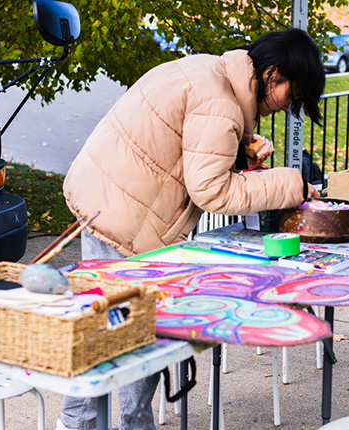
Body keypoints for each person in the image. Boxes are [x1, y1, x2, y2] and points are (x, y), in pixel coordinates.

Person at [59, 28, 325, 430]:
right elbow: (213, 191)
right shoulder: (220, 103)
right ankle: (95, 426)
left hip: (109, 202)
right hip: (123, 218)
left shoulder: (211, 73)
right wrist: (292, 185)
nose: (289, 107)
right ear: (272, 75)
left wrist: (240, 151)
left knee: (115, 332)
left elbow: (187, 157)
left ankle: (115, 424)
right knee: (113, 337)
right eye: (293, 95)